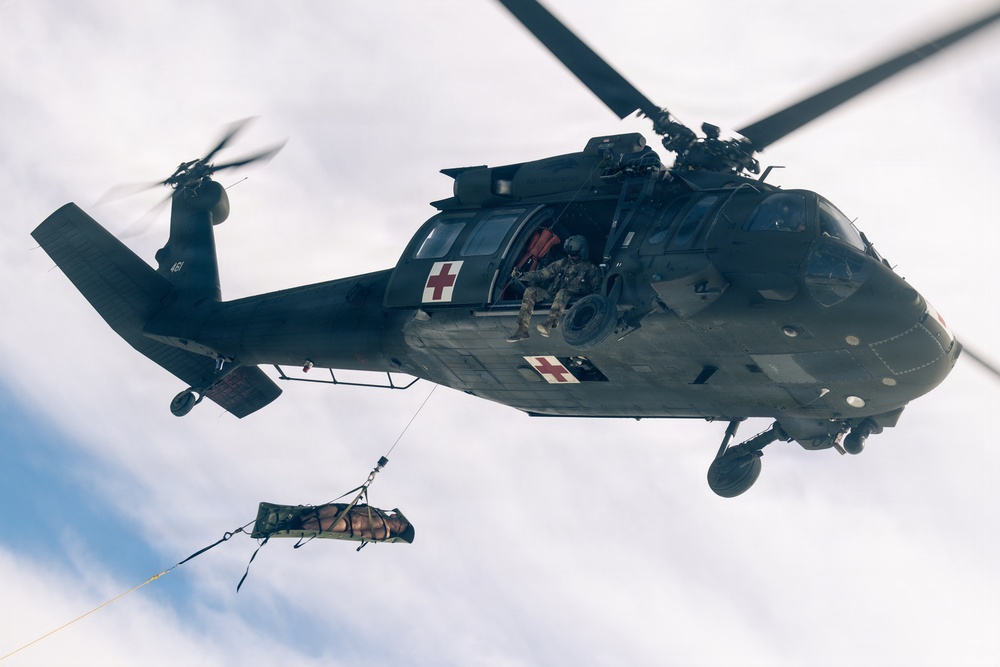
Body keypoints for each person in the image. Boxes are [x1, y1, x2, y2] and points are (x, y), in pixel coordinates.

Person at [506, 235, 601, 342]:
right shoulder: (563, 263)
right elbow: (543, 274)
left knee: (562, 292)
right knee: (531, 291)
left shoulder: (592, 270)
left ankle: (549, 324)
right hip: (554, 296)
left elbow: (597, 293)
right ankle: (522, 329)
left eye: (573, 254)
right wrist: (522, 275)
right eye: (568, 253)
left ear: (582, 252)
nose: (570, 256)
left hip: (573, 301)